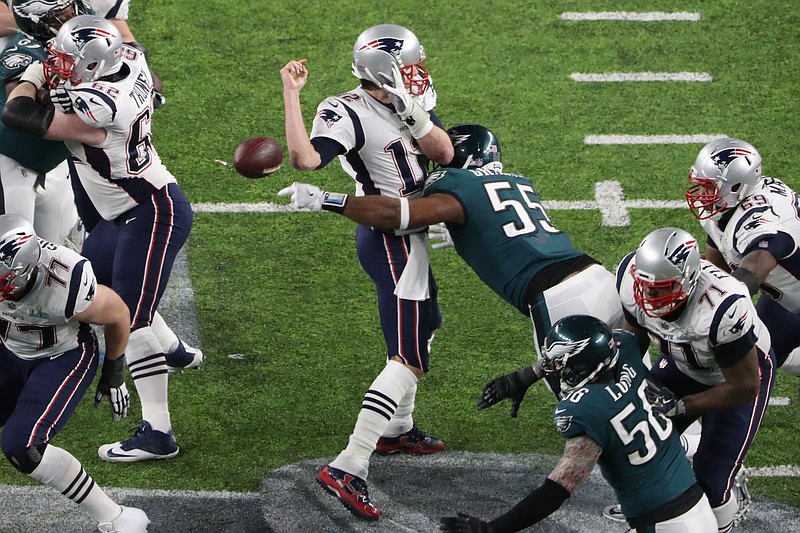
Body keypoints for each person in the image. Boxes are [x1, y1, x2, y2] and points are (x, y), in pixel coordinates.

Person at [278, 123, 624, 406]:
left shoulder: (457, 184)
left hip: (559, 297)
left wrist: (327, 200)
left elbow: (395, 215)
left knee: (584, 403)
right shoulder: (518, 182)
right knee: (632, 380)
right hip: (599, 278)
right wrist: (464, 230)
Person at [279, 24, 454, 521]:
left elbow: (443, 153)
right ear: (387, 68)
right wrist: (292, 96)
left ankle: (397, 429)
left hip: (411, 228)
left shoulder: (409, 99)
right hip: (388, 235)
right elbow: (305, 159)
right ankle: (350, 464)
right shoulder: (346, 110)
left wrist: (412, 110)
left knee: (428, 323)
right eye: (411, 64)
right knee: (409, 356)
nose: (419, 72)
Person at [2, 15, 193, 462]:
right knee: (95, 291)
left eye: (69, 61)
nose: (59, 65)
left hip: (149, 211)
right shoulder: (127, 61)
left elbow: (19, 115)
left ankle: (158, 433)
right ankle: (176, 352)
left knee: (132, 317)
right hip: (118, 214)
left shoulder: (100, 105)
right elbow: (150, 77)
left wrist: (30, 73)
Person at [439, 315, 718, 533]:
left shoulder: (588, 410)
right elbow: (613, 343)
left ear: (581, 365)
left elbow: (555, 491)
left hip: (664, 524)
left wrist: (493, 528)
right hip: (695, 506)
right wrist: (525, 376)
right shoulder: (627, 356)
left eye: (560, 364)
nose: (554, 370)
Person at [615, 227, 775, 532]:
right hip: (681, 362)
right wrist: (628, 388)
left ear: (688, 280)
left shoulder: (723, 307)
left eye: (661, 289)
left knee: (712, 482)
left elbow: (745, 386)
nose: (648, 296)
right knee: (634, 444)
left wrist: (680, 406)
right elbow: (631, 341)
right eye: (645, 286)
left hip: (734, 376)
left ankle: (726, 510)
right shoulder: (631, 278)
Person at [0, 214, 149, 533]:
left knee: (23, 448)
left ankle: (118, 516)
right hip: (9, 345)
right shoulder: (10, 275)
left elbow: (119, 313)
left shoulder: (66, 279)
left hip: (62, 355)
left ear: (21, 273)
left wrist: (114, 369)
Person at [686, 137, 800, 375]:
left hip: (787, 291)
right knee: (764, 350)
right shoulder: (730, 208)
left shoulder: (763, 220)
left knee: (752, 360)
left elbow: (751, 271)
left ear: (737, 186)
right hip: (786, 296)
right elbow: (716, 266)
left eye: (710, 187)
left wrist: (715, 310)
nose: (701, 193)